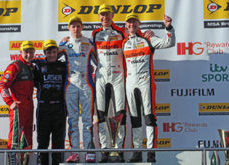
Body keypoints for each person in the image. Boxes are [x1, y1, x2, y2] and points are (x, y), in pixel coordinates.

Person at [122, 13, 176, 162]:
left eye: (134, 22)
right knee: (135, 119)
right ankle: (137, 152)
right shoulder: (123, 42)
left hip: (145, 82)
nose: (132, 24)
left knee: (149, 117)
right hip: (130, 84)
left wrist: (168, 27)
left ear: (139, 24)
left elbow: (169, 43)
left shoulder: (148, 38)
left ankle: (151, 152)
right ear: (126, 25)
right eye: (129, 22)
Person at [92, 4, 127, 162]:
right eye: (102, 15)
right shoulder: (94, 34)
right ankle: (105, 150)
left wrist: (147, 33)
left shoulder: (121, 32)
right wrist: (68, 42)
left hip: (118, 76)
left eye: (107, 14)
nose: (104, 17)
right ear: (99, 17)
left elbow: (134, 37)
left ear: (112, 15)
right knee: (101, 114)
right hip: (101, 77)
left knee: (120, 114)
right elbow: (84, 47)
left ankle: (118, 150)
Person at [59, 16, 97, 163]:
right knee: (73, 120)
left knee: (87, 120)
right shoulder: (65, 44)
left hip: (87, 85)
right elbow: (50, 56)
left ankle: (89, 152)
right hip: (70, 86)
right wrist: (61, 43)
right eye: (73, 26)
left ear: (82, 28)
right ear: (69, 28)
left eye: (78, 26)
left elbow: (99, 62)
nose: (75, 29)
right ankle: (74, 153)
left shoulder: (89, 43)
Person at [0, 41, 35, 165]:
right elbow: (2, 86)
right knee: (14, 140)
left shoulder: (31, 67)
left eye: (31, 52)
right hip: (18, 109)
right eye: (26, 52)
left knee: (27, 139)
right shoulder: (15, 66)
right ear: (20, 52)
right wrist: (10, 102)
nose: (28, 55)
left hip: (29, 108)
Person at [34, 39, 67, 165]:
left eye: (54, 52)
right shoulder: (38, 66)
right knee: (42, 141)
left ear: (58, 52)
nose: (51, 54)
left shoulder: (64, 66)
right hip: (43, 108)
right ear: (44, 53)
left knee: (58, 142)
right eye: (48, 52)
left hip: (59, 108)